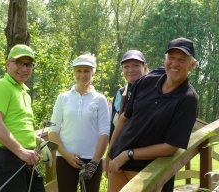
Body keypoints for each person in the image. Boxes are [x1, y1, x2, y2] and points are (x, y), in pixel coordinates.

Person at [106, 37, 199, 192]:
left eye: (182, 59)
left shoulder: (188, 99)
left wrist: (128, 154)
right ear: (165, 60)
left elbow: (170, 147)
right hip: (118, 166)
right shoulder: (146, 82)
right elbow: (124, 118)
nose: (175, 64)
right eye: (171, 58)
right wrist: (110, 154)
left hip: (149, 173)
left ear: (192, 65)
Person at [0, 44, 49, 192]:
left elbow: (19, 125)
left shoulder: (24, 92)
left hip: (25, 158)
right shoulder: (1, 86)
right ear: (7, 64)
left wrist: (37, 140)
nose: (25, 68)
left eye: (29, 64)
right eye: (19, 63)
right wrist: (21, 151)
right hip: (7, 158)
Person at [48, 53, 110, 192]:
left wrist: (94, 163)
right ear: (73, 72)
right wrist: (67, 156)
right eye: (79, 70)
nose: (82, 75)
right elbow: (52, 132)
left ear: (93, 72)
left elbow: (104, 133)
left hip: (92, 161)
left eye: (87, 71)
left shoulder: (100, 99)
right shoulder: (63, 98)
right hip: (65, 159)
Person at [110, 50, 149, 140]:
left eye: (136, 65)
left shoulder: (153, 91)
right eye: (126, 66)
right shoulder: (120, 94)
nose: (131, 70)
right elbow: (113, 127)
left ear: (145, 67)